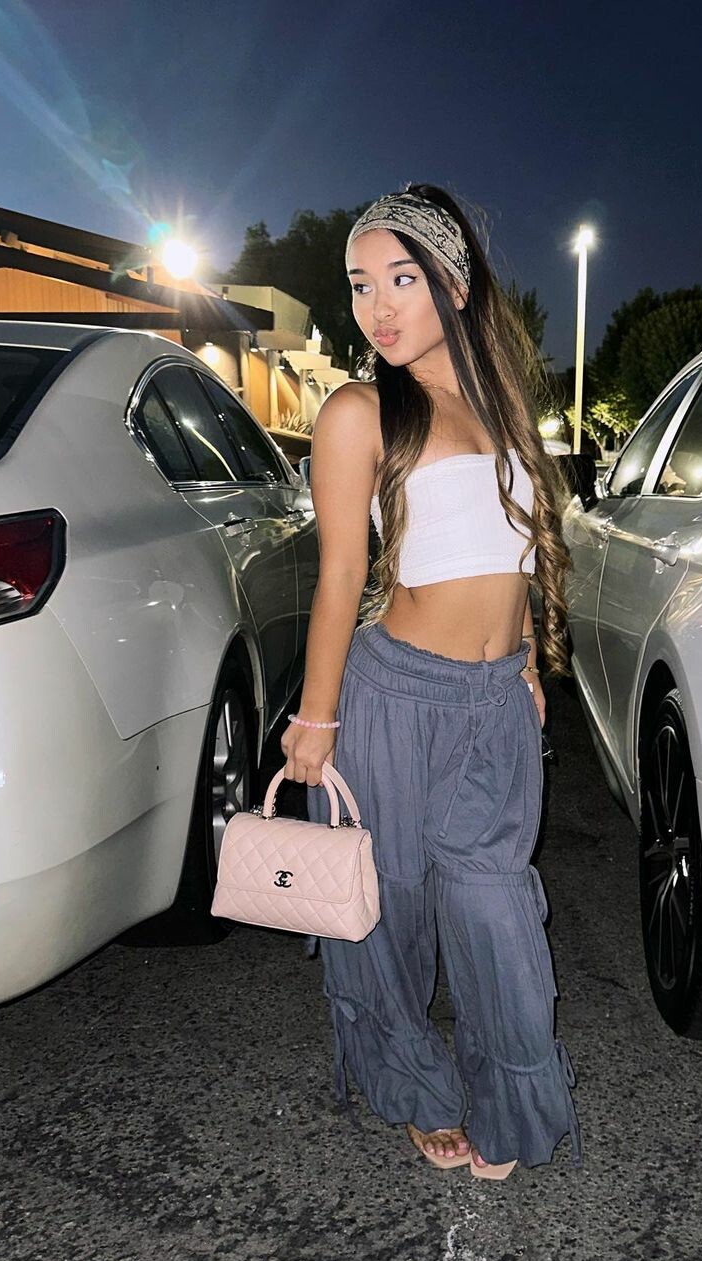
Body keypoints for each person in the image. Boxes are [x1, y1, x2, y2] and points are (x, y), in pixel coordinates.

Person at [281, 184, 581, 1179]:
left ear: (455, 283)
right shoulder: (360, 411)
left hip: (495, 701)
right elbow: (339, 576)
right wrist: (316, 717)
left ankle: (508, 1099)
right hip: (395, 699)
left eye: (401, 279)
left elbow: (524, 547)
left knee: (497, 909)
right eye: (360, 284)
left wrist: (528, 662)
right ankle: (416, 1089)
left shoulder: (503, 407)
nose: (378, 306)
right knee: (390, 912)